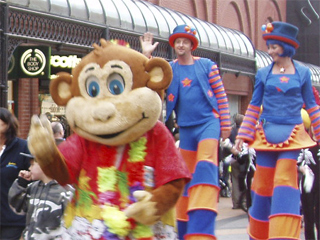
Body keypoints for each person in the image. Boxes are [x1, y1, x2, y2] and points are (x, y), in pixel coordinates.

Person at [141, 24, 231, 240]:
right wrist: (146, 55)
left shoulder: (207, 66)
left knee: (206, 164)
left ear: (192, 44)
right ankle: (184, 232)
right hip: (186, 129)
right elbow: (150, 84)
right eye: (177, 41)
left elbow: (221, 96)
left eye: (185, 41)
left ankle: (203, 228)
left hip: (209, 123)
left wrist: (226, 125)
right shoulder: (170, 69)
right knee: (185, 179)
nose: (181, 44)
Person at [235, 21, 320, 240]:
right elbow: (254, 105)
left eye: (274, 46)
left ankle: (283, 237)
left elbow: (311, 105)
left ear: (286, 46)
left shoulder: (302, 73)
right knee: (262, 185)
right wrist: (243, 136)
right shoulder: (263, 73)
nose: (270, 50)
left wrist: (319, 133)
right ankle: (260, 235)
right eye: (269, 46)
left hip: (292, 137)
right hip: (266, 136)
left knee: (284, 182)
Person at [8, 152, 74, 240]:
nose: (29, 168)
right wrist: (21, 184)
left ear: (44, 166)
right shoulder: (33, 187)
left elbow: (70, 225)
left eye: (32, 165)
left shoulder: (65, 191)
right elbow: (18, 208)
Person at [0, 107, 31, 240]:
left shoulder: (22, 147)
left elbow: (34, 178)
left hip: (12, 218)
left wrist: (25, 179)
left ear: (8, 124)